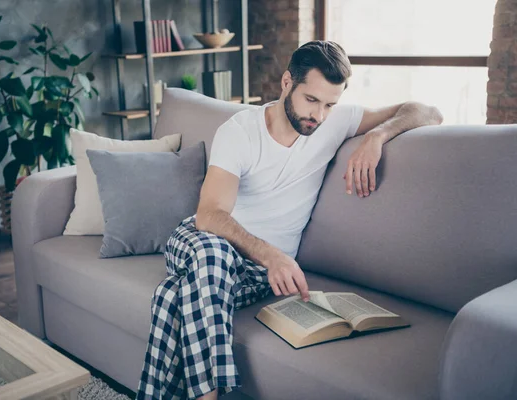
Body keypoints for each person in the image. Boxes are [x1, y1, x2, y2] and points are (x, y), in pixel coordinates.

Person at [136, 40, 443, 400]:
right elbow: (209, 215)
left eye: (330, 104)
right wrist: (273, 255)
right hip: (202, 241)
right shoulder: (240, 131)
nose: (319, 115)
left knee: (175, 296)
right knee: (214, 257)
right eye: (311, 100)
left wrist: (377, 135)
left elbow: (427, 111)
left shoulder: (335, 121)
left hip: (255, 275)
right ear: (286, 83)